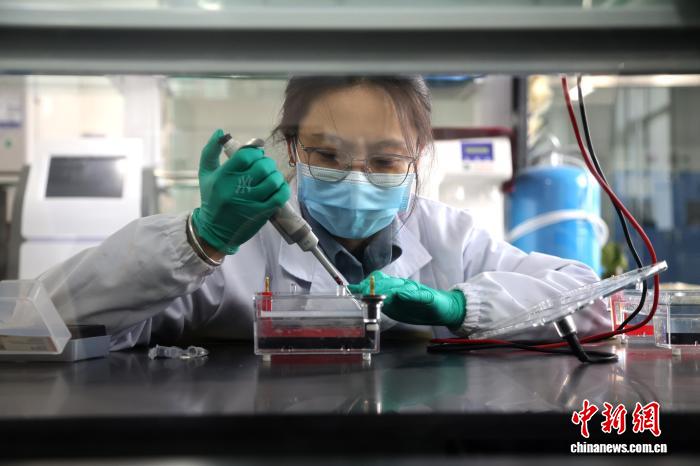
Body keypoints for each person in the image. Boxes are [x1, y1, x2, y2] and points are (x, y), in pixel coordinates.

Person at [41, 76, 609, 350]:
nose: (357, 179)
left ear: (416, 158)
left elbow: (595, 302)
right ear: (291, 150)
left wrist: (460, 306)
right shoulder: (235, 245)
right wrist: (200, 239)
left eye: (385, 160)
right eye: (328, 156)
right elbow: (52, 316)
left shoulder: (449, 237)